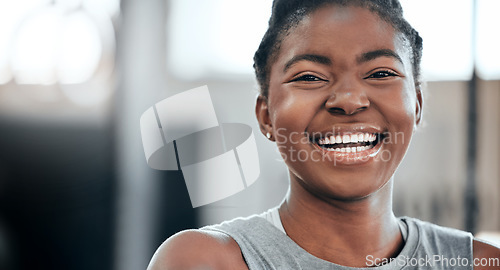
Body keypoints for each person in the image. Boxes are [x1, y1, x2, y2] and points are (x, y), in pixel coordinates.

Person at [148, 0, 500, 269]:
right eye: (310, 77)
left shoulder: (480, 263)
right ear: (266, 115)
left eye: (379, 73)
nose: (348, 100)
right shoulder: (206, 261)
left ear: (418, 104)